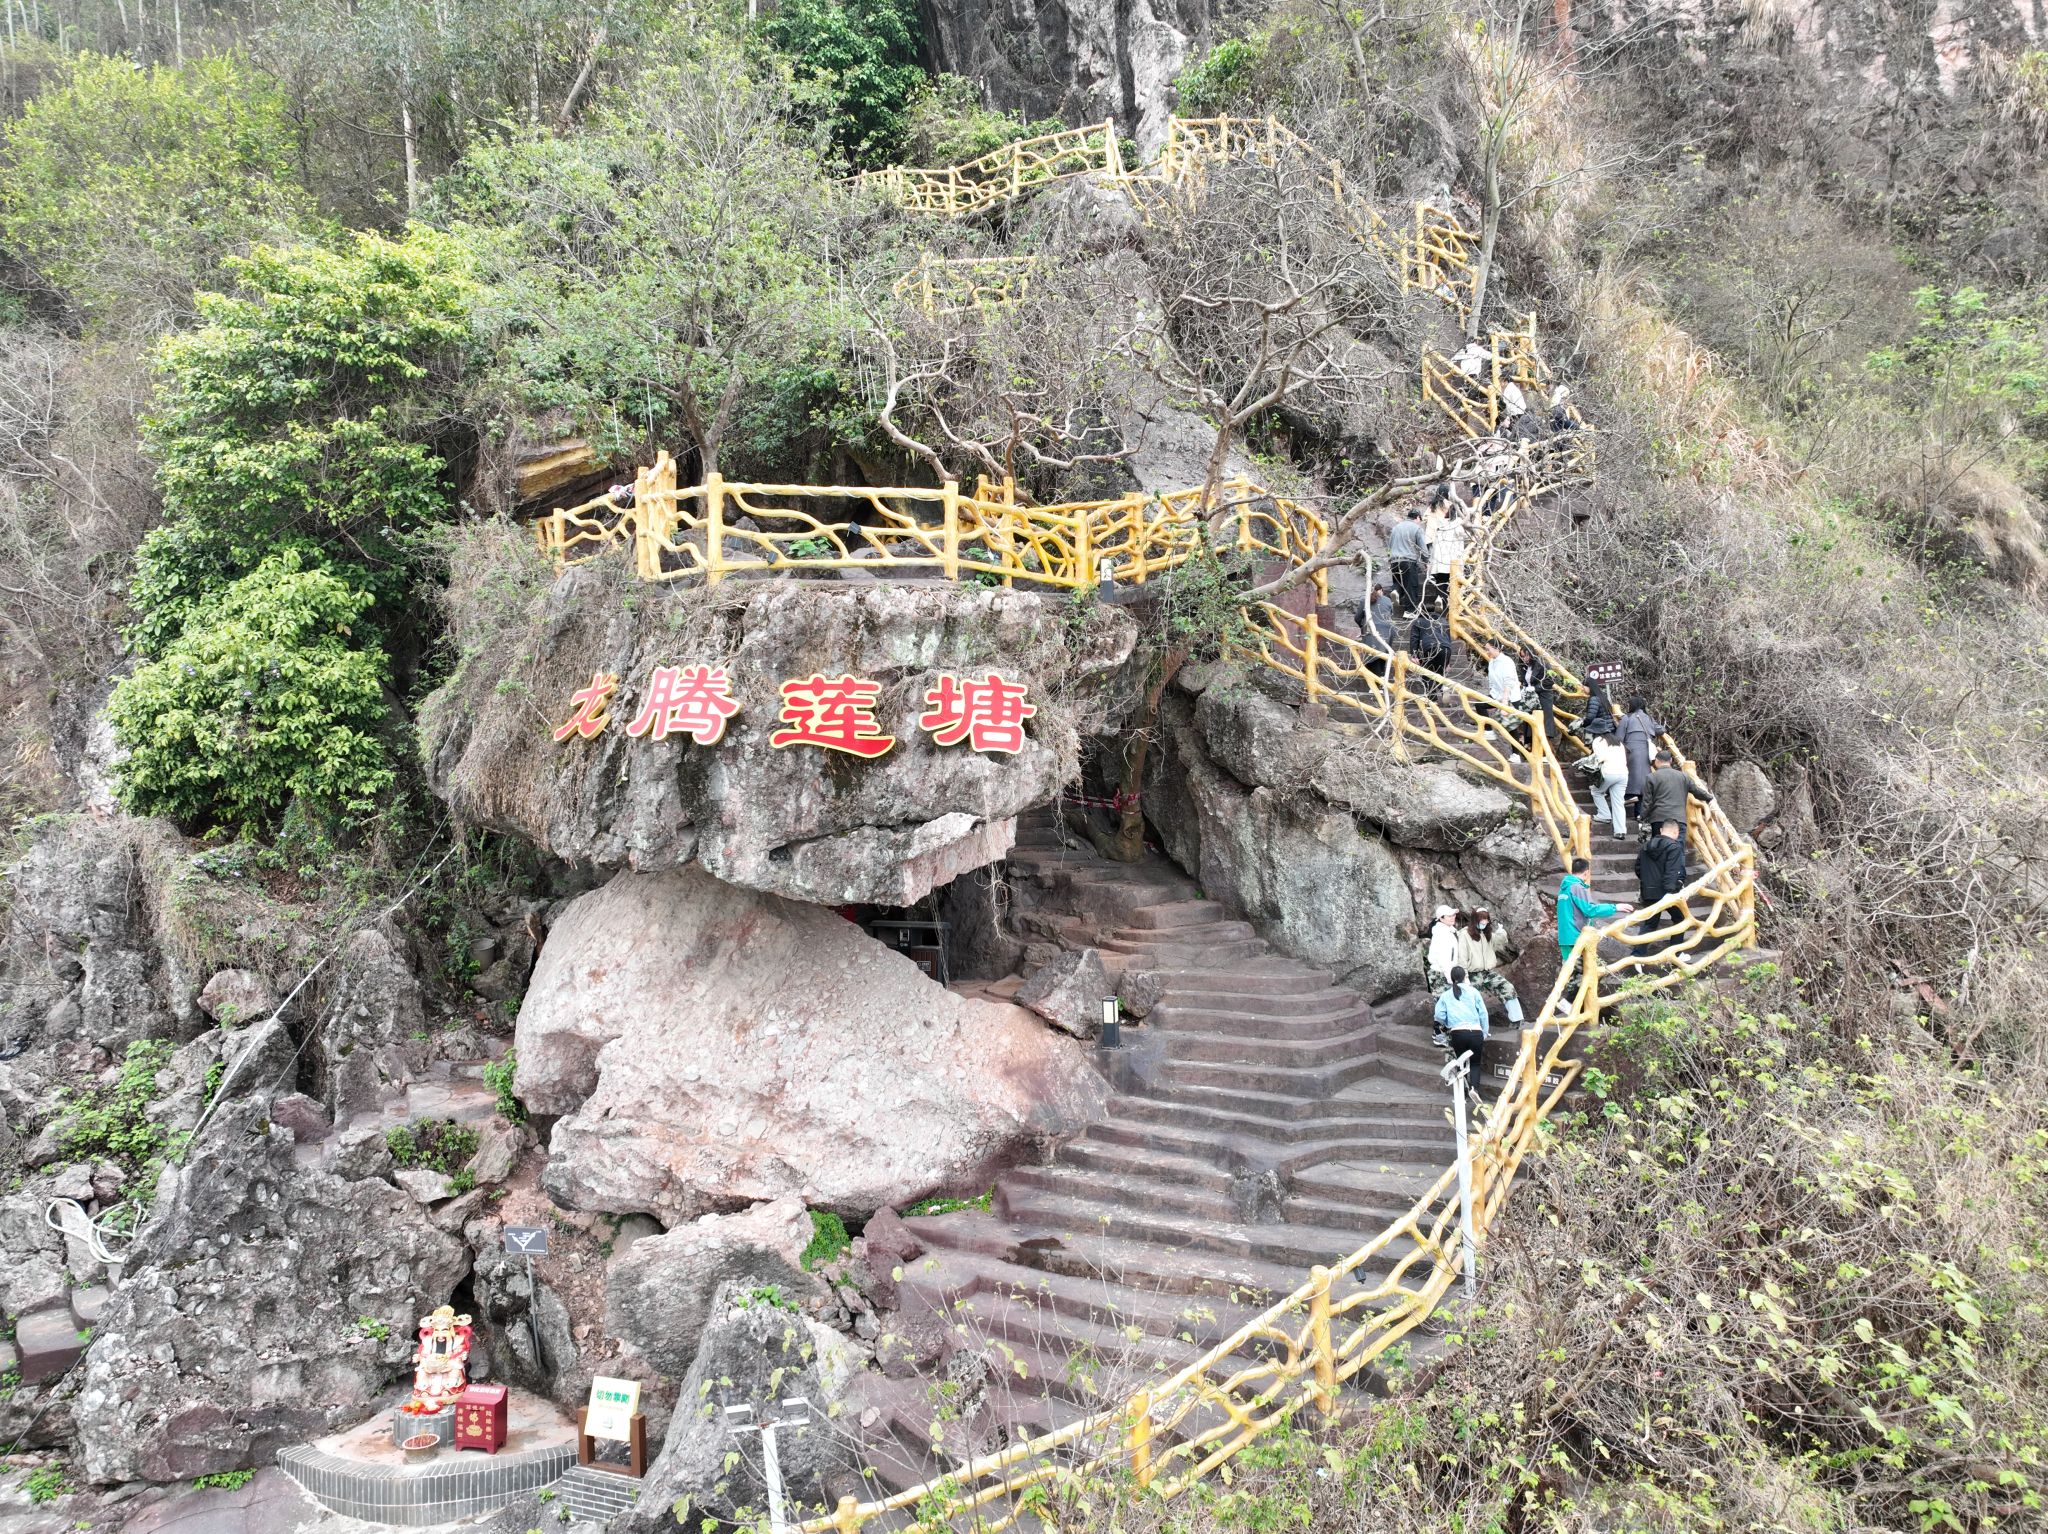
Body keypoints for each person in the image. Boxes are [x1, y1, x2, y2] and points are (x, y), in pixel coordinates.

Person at [1433, 965, 1490, 1106]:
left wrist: (1448, 1024)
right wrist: (1484, 1032)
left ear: (1451, 978)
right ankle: (1474, 1089)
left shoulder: (1446, 995)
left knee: (1461, 1062)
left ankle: (1462, 1095)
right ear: (1466, 976)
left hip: (1458, 1033)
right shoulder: (1473, 991)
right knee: (1475, 1063)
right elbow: (1483, 1013)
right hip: (1475, 1032)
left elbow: (1438, 1015)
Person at [1556, 857, 1631, 962]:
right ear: (1586, 872)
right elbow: (1589, 910)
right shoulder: (1577, 887)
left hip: (1565, 937)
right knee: (1586, 972)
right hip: (1576, 937)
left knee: (1568, 971)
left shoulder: (1564, 888)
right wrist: (1615, 907)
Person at [1456, 907, 1524, 1023]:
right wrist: (1464, 977)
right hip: (1472, 974)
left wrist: (1501, 931)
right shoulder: (1464, 934)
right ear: (1474, 919)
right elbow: (1461, 957)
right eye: (1481, 919)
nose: (1484, 922)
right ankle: (1470, 1025)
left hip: (1487, 972)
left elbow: (1500, 942)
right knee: (1471, 997)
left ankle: (1517, 1020)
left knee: (1508, 988)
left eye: (1486, 919)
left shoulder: (1486, 933)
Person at [1637, 749, 1715, 842]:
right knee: (1677, 850)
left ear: (1657, 761)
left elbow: (1647, 802)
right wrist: (1710, 798)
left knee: (1660, 849)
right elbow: (1697, 791)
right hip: (1679, 820)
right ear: (1670, 761)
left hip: (1658, 820)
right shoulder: (1683, 776)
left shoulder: (1651, 777)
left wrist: (1642, 817)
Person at [1634, 821, 1690, 945]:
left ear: (1660, 831)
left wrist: (1647, 882)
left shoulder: (1646, 846)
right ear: (1676, 832)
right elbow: (1672, 870)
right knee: (1681, 919)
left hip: (1648, 891)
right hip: (1667, 892)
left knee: (1649, 924)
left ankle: (1637, 956)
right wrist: (1671, 891)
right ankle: (1676, 953)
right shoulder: (1674, 847)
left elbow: (1638, 868)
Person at [1618, 696, 1663, 816]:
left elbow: (1619, 738)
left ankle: (1623, 807)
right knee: (1643, 782)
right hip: (1646, 753)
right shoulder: (1648, 718)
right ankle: (1640, 814)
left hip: (1630, 752)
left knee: (1631, 780)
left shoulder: (1626, 718)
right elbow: (1661, 730)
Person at [1585, 733, 1629, 837]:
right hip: (1623, 774)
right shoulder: (1618, 741)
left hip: (1609, 773)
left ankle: (1604, 815)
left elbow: (1599, 758)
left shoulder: (1598, 740)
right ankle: (1620, 831)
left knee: (1596, 791)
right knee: (1618, 802)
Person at [1387, 509, 1427, 615]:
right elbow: (1423, 548)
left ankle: (1396, 591)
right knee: (1411, 586)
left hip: (1395, 561)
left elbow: (1390, 545)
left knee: (1399, 582)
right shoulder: (1416, 528)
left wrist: (1390, 559)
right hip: (1408, 561)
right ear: (1417, 517)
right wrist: (1426, 561)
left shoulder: (1396, 528)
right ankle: (1410, 612)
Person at [1408, 598, 1452, 694]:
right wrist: (1448, 661)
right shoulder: (1443, 621)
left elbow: (1414, 639)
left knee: (1428, 673)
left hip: (1430, 647)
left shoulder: (1419, 621)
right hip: (1446, 649)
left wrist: (1414, 655)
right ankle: (1442, 688)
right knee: (1440, 672)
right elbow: (1448, 639)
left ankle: (1432, 699)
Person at [1425, 508, 1467, 606]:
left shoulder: (1441, 524)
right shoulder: (1457, 523)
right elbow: (1462, 534)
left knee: (1441, 580)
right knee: (1453, 581)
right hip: (1452, 560)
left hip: (1439, 560)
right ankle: (1451, 602)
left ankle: (1439, 598)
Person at [1519, 646, 1560, 743]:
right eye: (1522, 657)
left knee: (1544, 724)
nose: (1524, 659)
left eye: (1525, 656)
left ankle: (1544, 753)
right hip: (1531, 698)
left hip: (1543, 696)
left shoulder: (1542, 664)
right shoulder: (1525, 666)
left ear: (1530, 654)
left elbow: (1550, 681)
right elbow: (1525, 680)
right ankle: (1532, 746)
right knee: (1531, 724)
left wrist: (1535, 688)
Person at [1355, 582, 1396, 675]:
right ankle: (1381, 679)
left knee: (1372, 657)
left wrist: (1363, 626)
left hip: (1370, 631)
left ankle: (1375, 684)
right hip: (1387, 631)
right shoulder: (1388, 600)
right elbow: (1390, 614)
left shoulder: (1364, 600)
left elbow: (1357, 618)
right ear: (1381, 590)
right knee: (1383, 655)